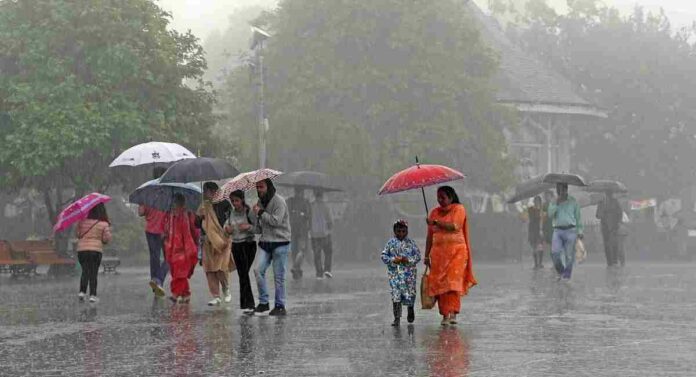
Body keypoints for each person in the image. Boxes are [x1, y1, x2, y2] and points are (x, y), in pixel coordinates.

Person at [424, 186, 477, 326]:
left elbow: (455, 226)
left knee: (452, 283)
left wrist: (435, 222)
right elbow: (429, 237)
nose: (440, 200)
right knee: (440, 284)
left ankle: (453, 313)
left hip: (457, 253)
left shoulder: (459, 209)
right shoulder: (434, 213)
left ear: (451, 197)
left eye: (443, 197)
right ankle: (445, 315)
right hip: (438, 255)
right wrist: (426, 255)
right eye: (438, 197)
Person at [253, 178, 291, 316]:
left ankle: (280, 305)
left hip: (280, 242)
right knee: (258, 270)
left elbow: (276, 221)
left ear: (268, 187)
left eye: (261, 187)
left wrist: (261, 213)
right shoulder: (259, 203)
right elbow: (258, 228)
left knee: (278, 276)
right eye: (257, 187)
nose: (259, 190)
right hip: (265, 242)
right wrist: (255, 217)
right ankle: (264, 302)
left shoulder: (279, 201)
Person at [196, 182, 233, 306]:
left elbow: (230, 221)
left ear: (213, 191)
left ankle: (226, 290)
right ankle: (216, 295)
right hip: (208, 241)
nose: (205, 194)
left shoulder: (225, 204)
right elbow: (196, 224)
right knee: (210, 269)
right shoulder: (203, 206)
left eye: (206, 191)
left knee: (221, 268)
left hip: (223, 240)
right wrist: (199, 216)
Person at [381, 219, 421, 326]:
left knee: (410, 293)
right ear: (394, 231)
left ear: (407, 231)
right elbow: (384, 255)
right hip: (395, 275)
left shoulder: (411, 243)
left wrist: (408, 260)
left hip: (409, 275)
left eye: (403, 231)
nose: (401, 234)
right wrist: (393, 260)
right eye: (398, 231)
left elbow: (418, 256)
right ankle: (397, 318)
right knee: (396, 295)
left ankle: (410, 309)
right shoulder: (390, 243)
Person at [224, 190, 258, 314]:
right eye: (232, 201)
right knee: (242, 274)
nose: (234, 203)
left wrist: (248, 227)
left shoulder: (249, 212)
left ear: (242, 200)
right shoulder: (230, 213)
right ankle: (247, 304)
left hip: (248, 245)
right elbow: (226, 227)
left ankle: (249, 304)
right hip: (236, 245)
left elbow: (258, 229)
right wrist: (227, 229)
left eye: (237, 200)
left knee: (243, 274)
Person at [163, 193, 199, 304]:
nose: (174, 206)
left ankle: (175, 294)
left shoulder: (186, 215)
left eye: (176, 203)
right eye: (173, 204)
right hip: (172, 249)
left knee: (180, 274)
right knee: (176, 273)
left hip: (184, 249)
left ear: (181, 204)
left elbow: (193, 231)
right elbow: (168, 231)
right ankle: (185, 294)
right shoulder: (171, 216)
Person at [139, 167, 169, 297]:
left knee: (154, 257)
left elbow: (141, 212)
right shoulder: (168, 192)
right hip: (165, 230)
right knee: (169, 258)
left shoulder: (147, 192)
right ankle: (159, 280)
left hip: (150, 230)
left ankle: (155, 282)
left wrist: (143, 203)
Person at [76, 203, 112, 303]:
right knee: (93, 272)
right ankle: (92, 295)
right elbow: (107, 239)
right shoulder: (103, 224)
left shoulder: (82, 222)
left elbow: (78, 234)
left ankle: (82, 292)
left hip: (82, 250)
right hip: (95, 251)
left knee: (85, 271)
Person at [548, 183, 583, 281]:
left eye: (562, 190)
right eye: (558, 190)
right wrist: (556, 204)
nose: (560, 192)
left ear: (566, 190)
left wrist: (580, 231)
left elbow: (578, 217)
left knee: (569, 256)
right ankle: (561, 272)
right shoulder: (554, 201)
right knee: (555, 253)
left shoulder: (573, 201)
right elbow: (550, 214)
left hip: (571, 230)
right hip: (558, 231)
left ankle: (567, 276)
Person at [287, 187, 311, 280]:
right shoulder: (305, 202)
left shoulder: (290, 201)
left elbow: (287, 214)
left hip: (293, 229)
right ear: (302, 192)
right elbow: (309, 216)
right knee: (302, 250)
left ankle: (296, 268)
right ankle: (296, 267)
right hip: (302, 229)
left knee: (294, 250)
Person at [310, 190, 334, 279]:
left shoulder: (311, 205)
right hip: (325, 233)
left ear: (315, 195)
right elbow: (330, 220)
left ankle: (319, 273)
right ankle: (327, 270)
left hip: (314, 234)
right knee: (328, 252)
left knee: (317, 254)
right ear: (322, 195)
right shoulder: (326, 206)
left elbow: (308, 219)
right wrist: (330, 227)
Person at [596, 192, 623, 267]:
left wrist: (618, 222)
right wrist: (602, 212)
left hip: (614, 226)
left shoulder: (615, 202)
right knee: (607, 244)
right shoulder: (601, 203)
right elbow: (597, 215)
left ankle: (614, 260)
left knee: (614, 243)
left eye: (609, 194)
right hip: (605, 226)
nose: (608, 196)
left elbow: (620, 213)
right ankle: (609, 262)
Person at [525, 196, 545, 269]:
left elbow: (543, 220)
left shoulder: (542, 210)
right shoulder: (531, 209)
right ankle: (536, 263)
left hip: (539, 229)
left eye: (538, 201)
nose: (537, 203)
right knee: (534, 246)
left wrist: (541, 229)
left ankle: (540, 263)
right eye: (535, 201)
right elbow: (530, 216)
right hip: (533, 229)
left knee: (540, 246)